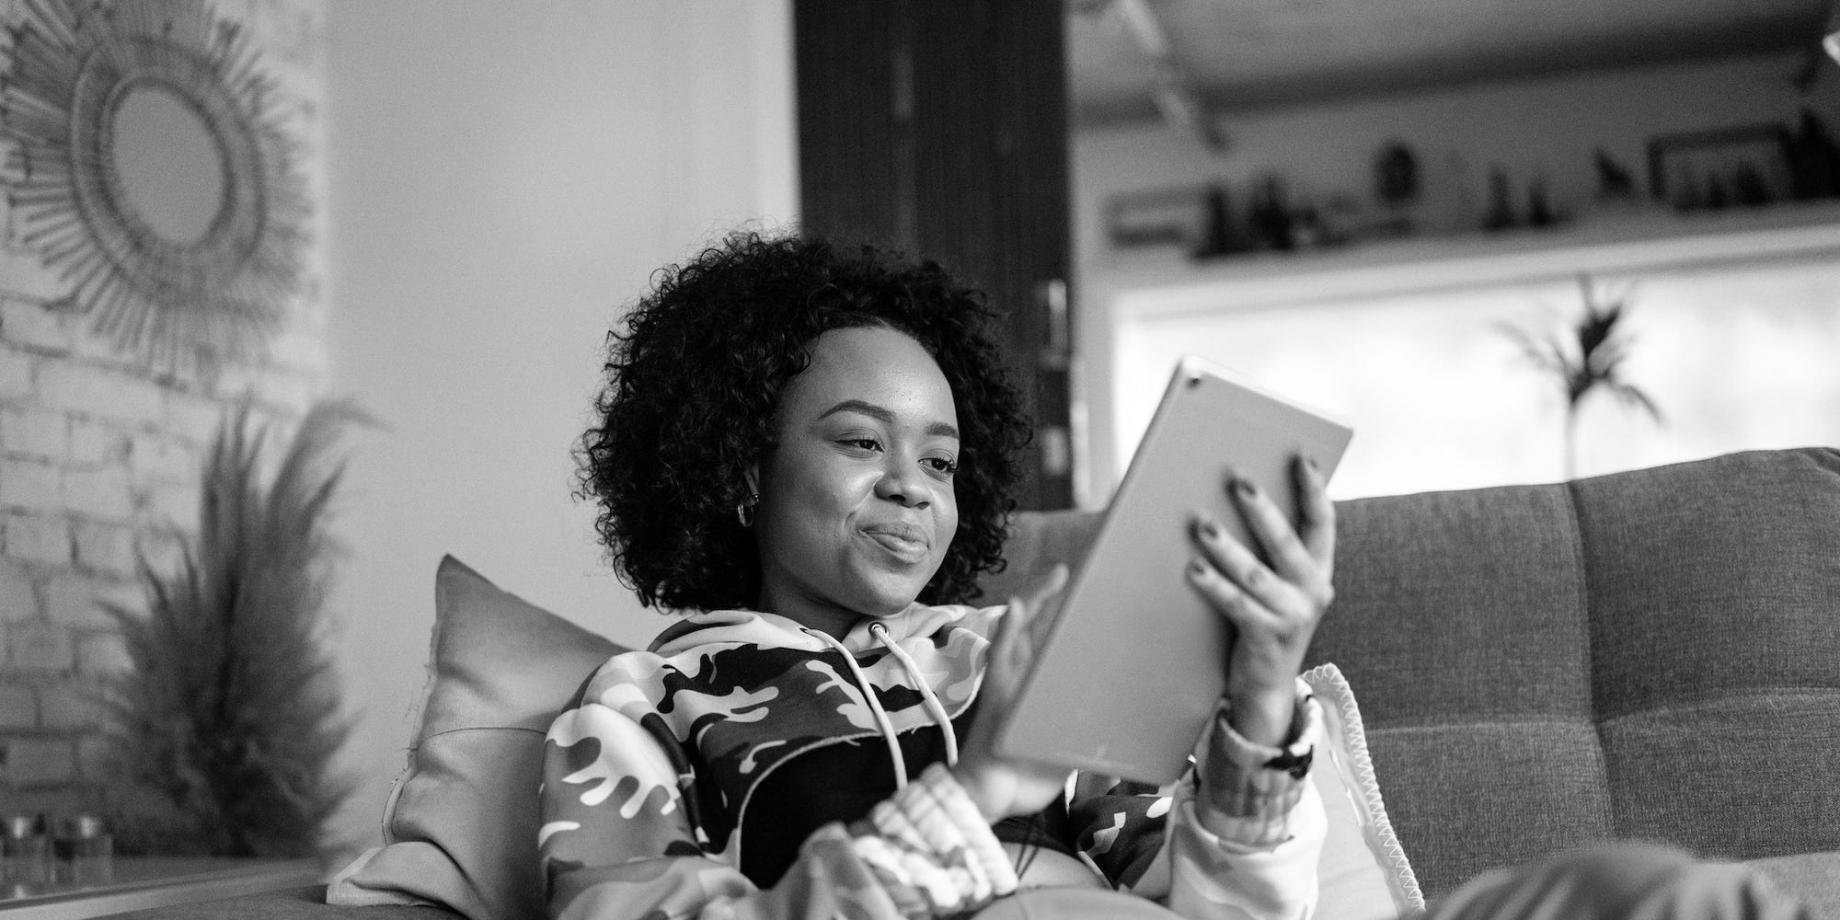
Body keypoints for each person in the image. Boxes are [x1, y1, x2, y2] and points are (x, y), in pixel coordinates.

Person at [541, 232, 1810, 920]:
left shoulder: (1009, 640)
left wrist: (1258, 702)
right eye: (861, 442)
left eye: (942, 455)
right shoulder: (648, 698)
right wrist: (984, 788)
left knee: (1648, 888)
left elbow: (1234, 907)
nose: (915, 485)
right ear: (738, 464)